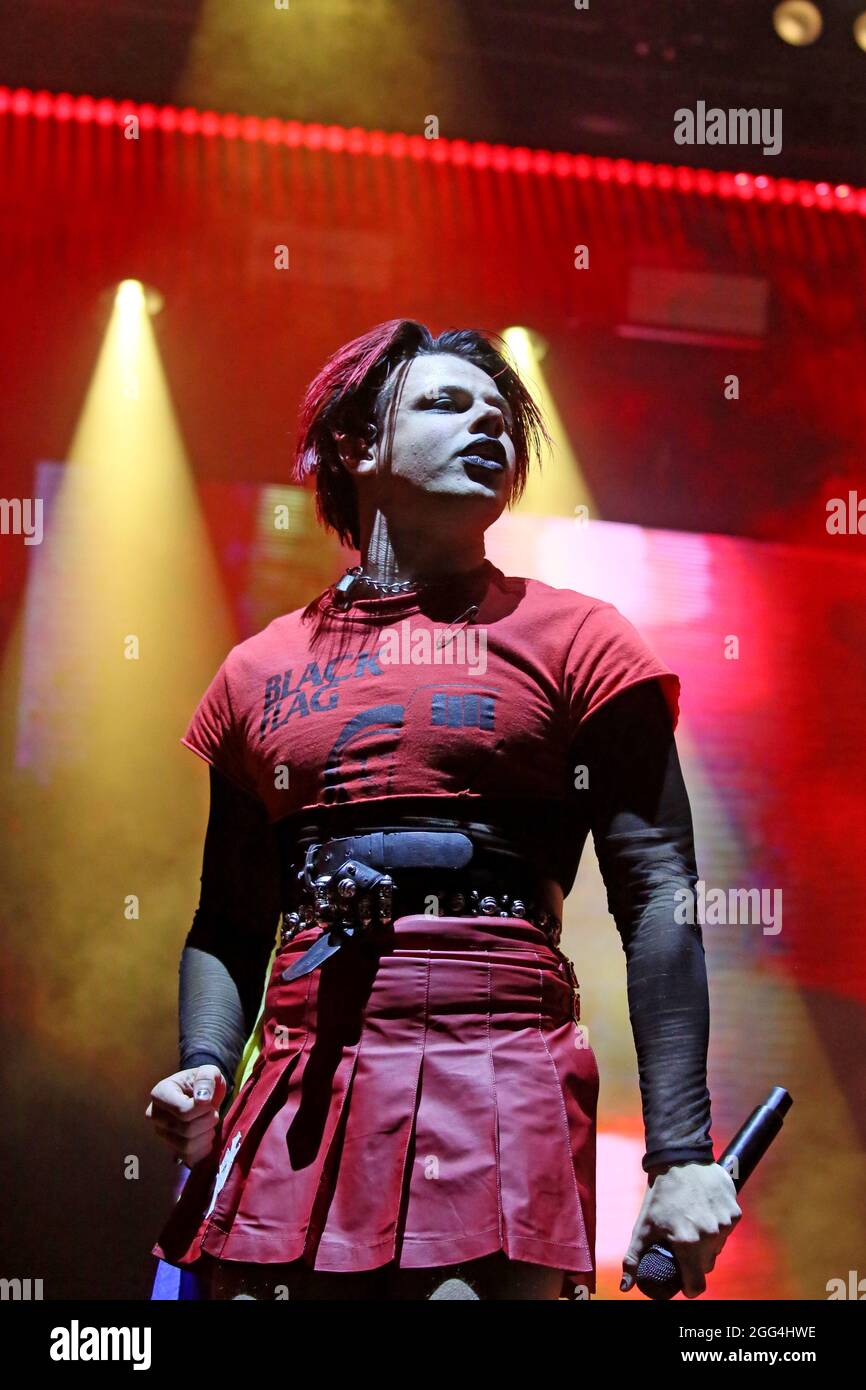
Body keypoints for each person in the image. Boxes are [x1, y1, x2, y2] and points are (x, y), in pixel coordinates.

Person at [147, 318, 741, 1300]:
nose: (489, 428)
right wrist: (205, 1063)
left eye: (502, 416)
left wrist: (679, 1152)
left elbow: (657, 898)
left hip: (498, 1075)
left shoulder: (581, 641)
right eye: (445, 403)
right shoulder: (254, 671)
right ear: (356, 445)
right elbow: (229, 917)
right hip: (298, 1081)